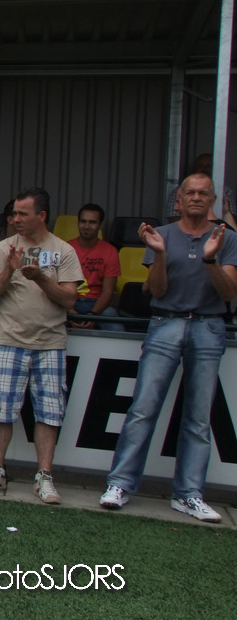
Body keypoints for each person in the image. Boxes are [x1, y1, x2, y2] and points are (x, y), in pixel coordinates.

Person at [100, 174, 237, 523]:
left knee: (198, 417)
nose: (196, 197)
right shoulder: (161, 234)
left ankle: (189, 495)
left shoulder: (227, 237)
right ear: (179, 199)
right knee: (143, 408)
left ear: (213, 200)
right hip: (166, 322)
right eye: (190, 192)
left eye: (203, 193)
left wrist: (210, 260)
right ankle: (120, 484)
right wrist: (159, 253)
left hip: (208, 326)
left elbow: (229, 293)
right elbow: (157, 290)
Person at [0, 188, 83, 504]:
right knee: (1, 409)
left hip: (51, 343)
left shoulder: (63, 251)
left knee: (49, 412)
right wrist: (10, 269)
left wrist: (40, 278)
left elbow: (70, 299)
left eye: (23, 213)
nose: (15, 219)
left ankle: (44, 476)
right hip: (9, 340)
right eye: (14, 214)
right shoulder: (4, 248)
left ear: (42, 216)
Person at [68, 203, 125, 332]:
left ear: (101, 225)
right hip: (69, 302)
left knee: (117, 330)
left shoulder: (110, 251)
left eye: (92, 222)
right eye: (83, 221)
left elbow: (108, 292)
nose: (86, 226)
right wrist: (71, 312)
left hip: (97, 304)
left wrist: (93, 315)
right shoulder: (65, 248)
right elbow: (59, 287)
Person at [166, 153, 237, 228]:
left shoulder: (225, 192)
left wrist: (226, 214)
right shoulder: (179, 191)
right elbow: (173, 218)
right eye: (200, 166)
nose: (196, 198)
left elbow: (233, 222)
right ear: (195, 168)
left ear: (213, 199)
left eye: (208, 166)